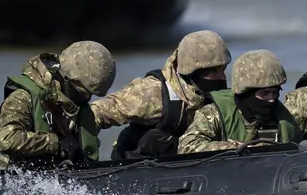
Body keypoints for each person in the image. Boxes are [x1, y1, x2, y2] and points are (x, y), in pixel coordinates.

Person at [91, 31, 231, 160]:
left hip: (186, 168)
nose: (222, 77)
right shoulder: (153, 93)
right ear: (193, 72)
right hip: (135, 168)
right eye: (214, 72)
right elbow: (98, 113)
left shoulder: (215, 97)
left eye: (223, 69)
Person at [0, 41, 116, 169]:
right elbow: (5, 139)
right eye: (83, 93)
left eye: (91, 94)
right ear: (68, 79)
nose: (87, 99)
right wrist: (57, 143)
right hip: (15, 177)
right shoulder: (23, 97)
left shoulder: (73, 105)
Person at [178, 50, 302, 154]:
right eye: (264, 93)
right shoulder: (215, 114)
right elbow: (187, 147)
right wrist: (235, 148)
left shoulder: (284, 119)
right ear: (245, 94)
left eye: (275, 92)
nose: (272, 99)